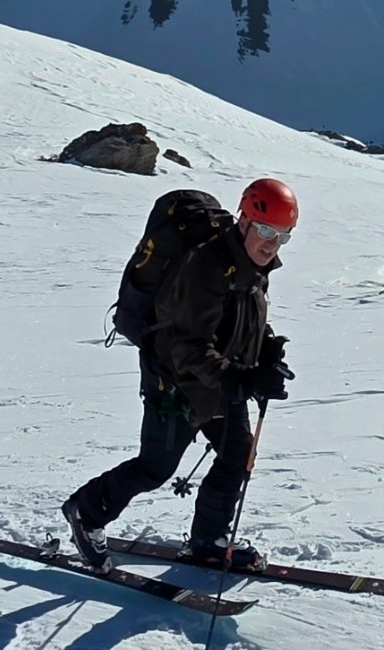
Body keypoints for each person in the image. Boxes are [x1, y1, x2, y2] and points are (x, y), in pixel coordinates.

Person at [63, 177, 299, 572]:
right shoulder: (205, 266)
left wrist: (265, 350)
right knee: (155, 468)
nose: (271, 243)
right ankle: (85, 514)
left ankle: (209, 540)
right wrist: (242, 380)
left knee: (238, 454)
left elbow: (236, 320)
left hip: (220, 384)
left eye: (281, 236)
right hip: (175, 385)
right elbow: (187, 346)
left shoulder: (253, 265)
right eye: (264, 230)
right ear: (243, 219)